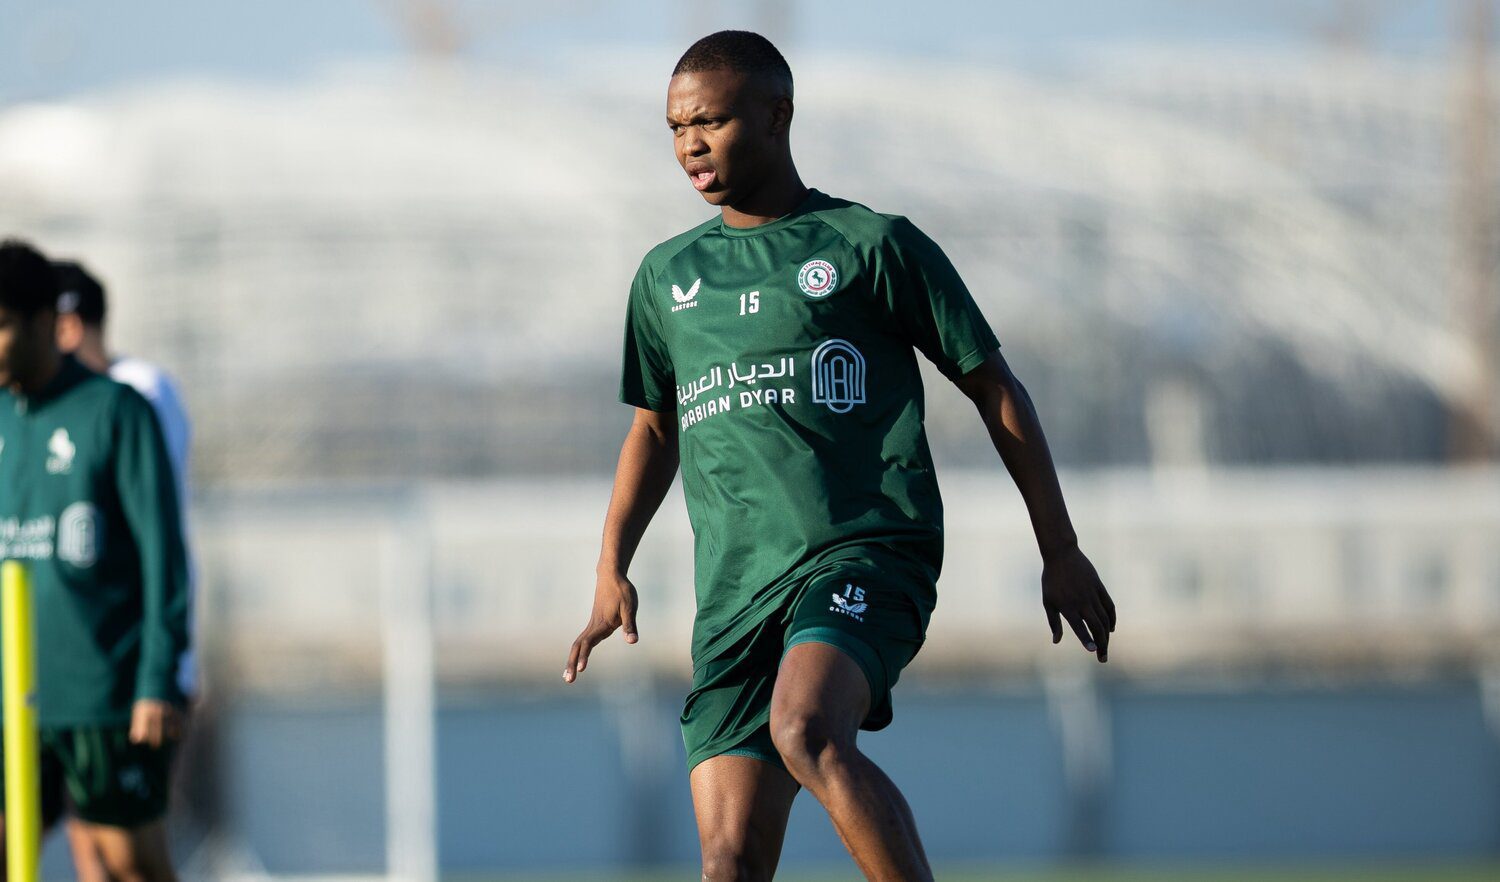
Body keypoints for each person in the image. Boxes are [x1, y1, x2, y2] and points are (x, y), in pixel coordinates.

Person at [564, 30, 1117, 882]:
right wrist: (611, 568)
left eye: (709, 121)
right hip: (735, 595)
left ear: (778, 116)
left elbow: (994, 387)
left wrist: (1060, 547)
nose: (690, 146)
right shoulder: (665, 278)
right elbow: (652, 430)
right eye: (675, 128)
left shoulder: (871, 245)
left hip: (862, 552)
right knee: (728, 862)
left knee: (806, 731)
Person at [0, 240, 189, 881]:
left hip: (101, 696)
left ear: (43, 323)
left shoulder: (116, 411)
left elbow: (164, 552)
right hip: (11, 695)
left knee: (123, 865)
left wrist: (156, 677)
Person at [51, 258, 197, 882]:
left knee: (122, 849)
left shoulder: (135, 394)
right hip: (79, 662)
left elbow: (143, 529)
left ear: (68, 325)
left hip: (130, 663)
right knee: (92, 848)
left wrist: (157, 672)